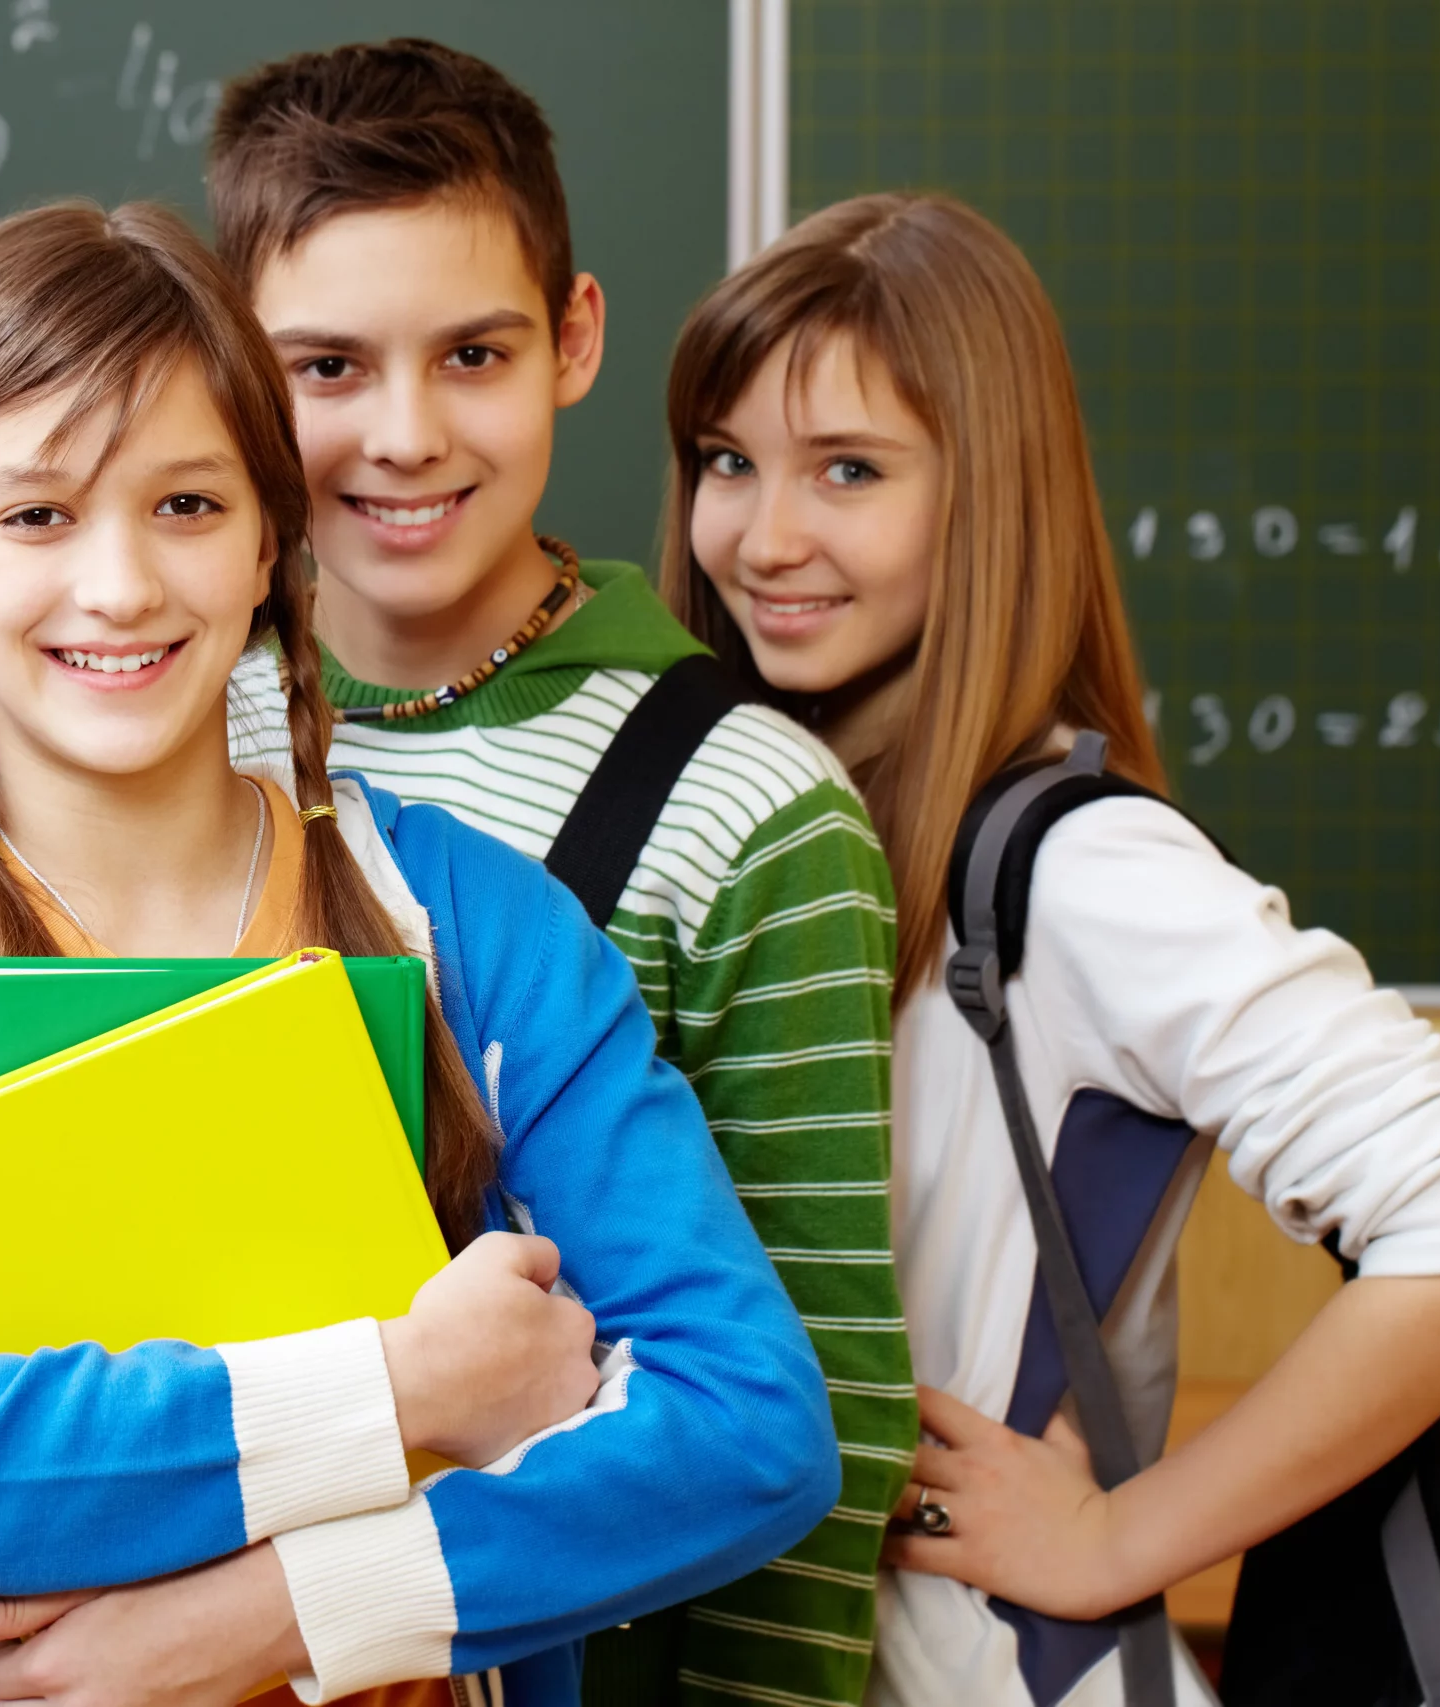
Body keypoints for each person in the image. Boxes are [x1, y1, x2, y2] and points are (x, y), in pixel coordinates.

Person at [0, 198, 838, 1707]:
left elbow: (747, 1424)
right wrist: (406, 1385)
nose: (121, 587)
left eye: (187, 506)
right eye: (38, 516)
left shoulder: (479, 928)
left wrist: (278, 1611)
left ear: (267, 547)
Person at [661, 189, 1440, 1707]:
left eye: (849, 470)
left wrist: (1110, 1537)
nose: (766, 536)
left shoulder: (1076, 865)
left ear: (987, 495)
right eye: (728, 462)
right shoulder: (772, 832)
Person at [206, 40, 915, 1704]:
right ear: (235, 368)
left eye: (473, 353)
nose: (404, 434)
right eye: (325, 365)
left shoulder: (749, 805)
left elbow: (818, 1398)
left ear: (576, 338)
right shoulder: (154, 719)